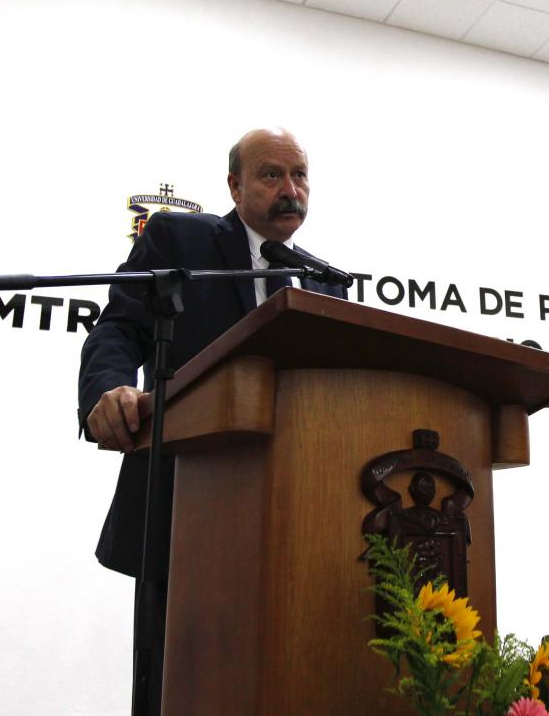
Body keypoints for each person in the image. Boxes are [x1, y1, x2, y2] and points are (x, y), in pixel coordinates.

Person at [77, 128, 347, 713]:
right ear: (235, 184)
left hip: (293, 519)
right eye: (272, 175)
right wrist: (109, 389)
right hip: (185, 504)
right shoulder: (182, 239)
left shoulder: (324, 280)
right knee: (177, 685)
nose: (290, 189)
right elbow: (120, 326)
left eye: (299, 176)